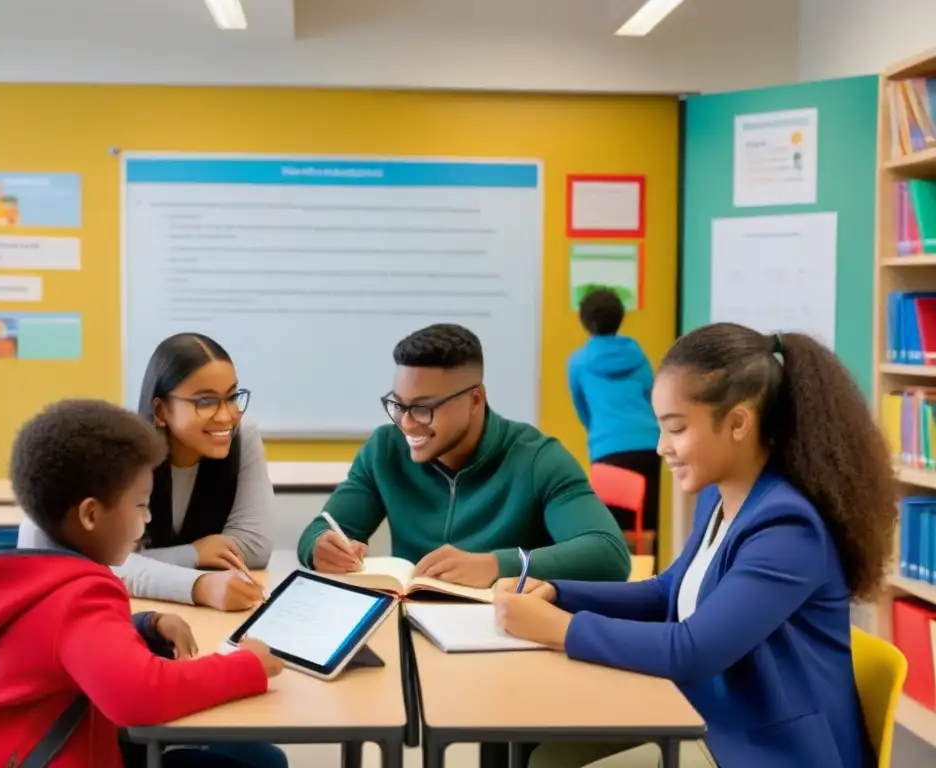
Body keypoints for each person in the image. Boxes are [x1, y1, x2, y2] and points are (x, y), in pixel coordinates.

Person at [493, 323, 896, 768]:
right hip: (712, 716)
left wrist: (557, 628)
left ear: (738, 422)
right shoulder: (720, 495)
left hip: (769, 748)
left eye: (677, 429)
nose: (662, 447)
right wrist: (557, 592)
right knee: (547, 753)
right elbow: (667, 591)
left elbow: (691, 652)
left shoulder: (788, 528)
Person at [0, 399, 288, 768]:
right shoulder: (79, 596)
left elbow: (63, 646)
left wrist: (143, 625)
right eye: (140, 505)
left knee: (257, 758)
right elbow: (139, 697)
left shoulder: (41, 578)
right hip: (42, 758)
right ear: (91, 514)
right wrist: (245, 665)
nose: (148, 517)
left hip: (7, 752)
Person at [297, 323, 631, 585]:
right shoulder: (384, 450)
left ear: (475, 400)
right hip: (406, 627)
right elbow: (318, 532)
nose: (408, 423)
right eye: (399, 404)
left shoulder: (538, 459)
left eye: (424, 408)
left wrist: (495, 565)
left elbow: (609, 555)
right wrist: (320, 547)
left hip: (506, 638)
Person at [18, 332, 273, 611]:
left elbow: (253, 548)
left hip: (181, 614)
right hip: (114, 609)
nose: (227, 416)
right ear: (161, 410)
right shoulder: (121, 453)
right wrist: (193, 557)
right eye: (205, 401)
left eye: (232, 397)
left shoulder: (242, 438)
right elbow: (98, 563)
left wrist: (146, 559)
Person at [569, 288, 661, 557]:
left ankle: (616, 587)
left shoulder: (579, 362)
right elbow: (652, 394)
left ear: (584, 320)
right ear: (620, 317)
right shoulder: (636, 353)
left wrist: (600, 433)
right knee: (646, 528)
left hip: (607, 448)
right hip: (648, 445)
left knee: (611, 532)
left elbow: (582, 408)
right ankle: (652, 583)